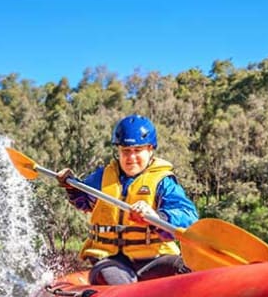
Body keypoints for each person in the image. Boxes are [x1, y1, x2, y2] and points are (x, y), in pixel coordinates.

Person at [56, 114, 199, 285]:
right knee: (111, 277)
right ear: (118, 151)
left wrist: (157, 217)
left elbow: (187, 216)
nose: (131, 158)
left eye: (138, 151)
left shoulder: (163, 181)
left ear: (150, 150)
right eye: (126, 151)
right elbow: (84, 201)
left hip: (153, 259)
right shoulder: (102, 178)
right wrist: (72, 186)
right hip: (111, 260)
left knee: (186, 270)